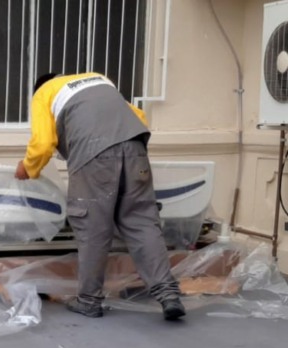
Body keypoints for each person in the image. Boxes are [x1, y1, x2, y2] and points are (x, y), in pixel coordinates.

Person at [15, 72, 185, 320]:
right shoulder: (97, 79)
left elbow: (42, 143)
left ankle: (89, 301)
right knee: (142, 222)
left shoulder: (45, 92)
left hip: (94, 155)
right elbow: (138, 117)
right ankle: (169, 294)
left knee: (93, 226)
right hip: (135, 148)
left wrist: (28, 168)